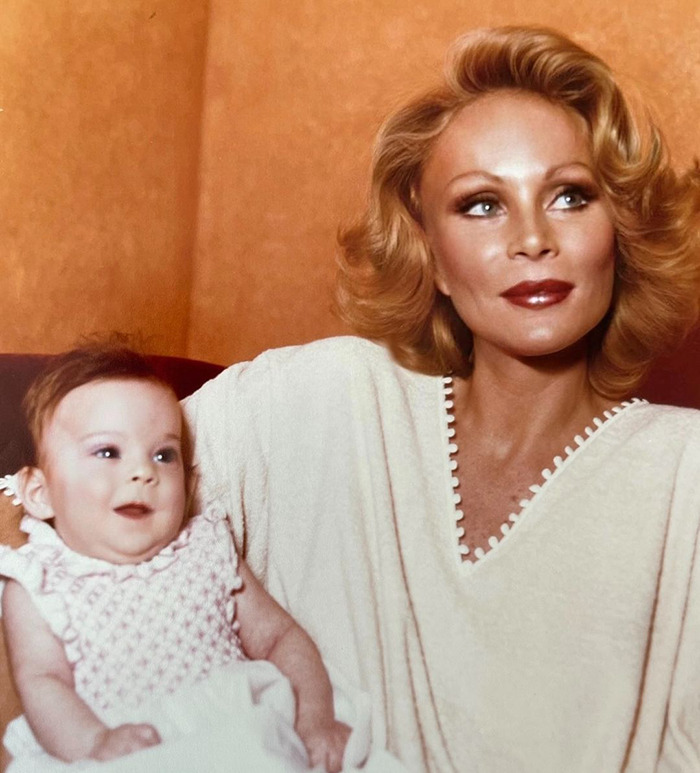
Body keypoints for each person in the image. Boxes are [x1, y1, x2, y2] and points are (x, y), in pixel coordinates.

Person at [183, 25, 700, 773]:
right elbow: (39, 526)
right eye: (482, 205)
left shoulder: (685, 471)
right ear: (433, 257)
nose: (532, 238)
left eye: (569, 195)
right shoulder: (318, 400)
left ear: (618, 233)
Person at [0, 343, 369, 773]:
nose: (143, 471)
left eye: (163, 454)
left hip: (240, 735)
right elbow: (43, 683)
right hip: (114, 745)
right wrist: (94, 741)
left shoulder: (206, 549)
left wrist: (315, 720)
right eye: (108, 452)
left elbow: (281, 639)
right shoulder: (40, 582)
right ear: (39, 494)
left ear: (190, 485)